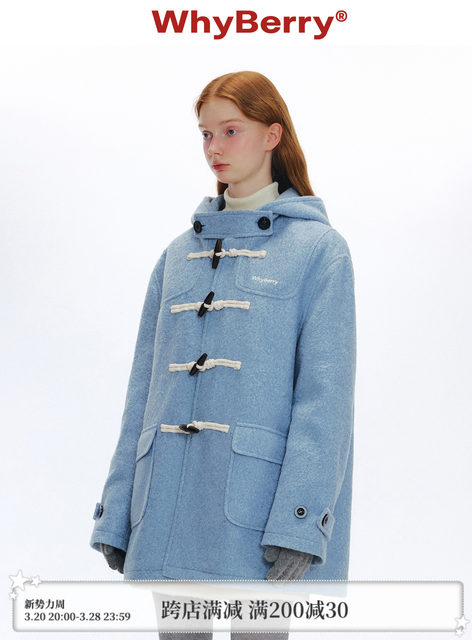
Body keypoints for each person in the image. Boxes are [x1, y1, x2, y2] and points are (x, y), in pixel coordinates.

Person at [90, 70, 357, 639]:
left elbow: (326, 404)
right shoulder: (175, 256)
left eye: (230, 131)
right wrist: (118, 508)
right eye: (206, 134)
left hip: (258, 520)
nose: (214, 147)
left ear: (272, 135)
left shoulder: (319, 253)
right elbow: (142, 391)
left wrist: (301, 521)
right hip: (165, 507)